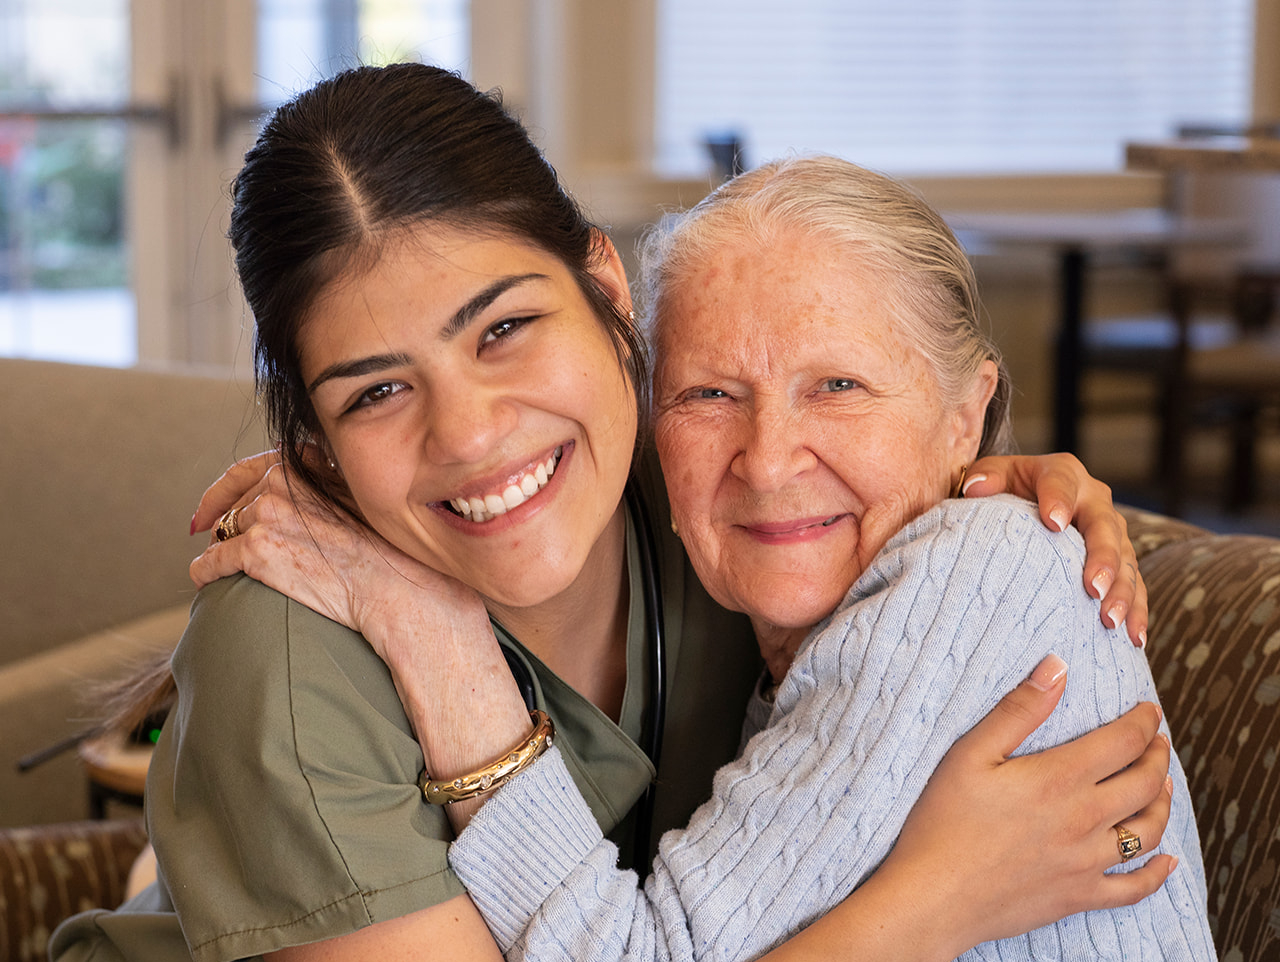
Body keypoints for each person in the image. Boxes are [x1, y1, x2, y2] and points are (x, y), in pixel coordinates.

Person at [50, 64, 1170, 962]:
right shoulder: (289, 658)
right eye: (377, 392)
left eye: (503, 329)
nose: (472, 435)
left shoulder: (709, 499)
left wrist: (984, 492)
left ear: (603, 288)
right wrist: (938, 900)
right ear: (316, 441)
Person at [360, 156, 1215, 960]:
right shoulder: (815, 633)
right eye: (709, 394)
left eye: (837, 387)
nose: (767, 462)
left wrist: (428, 627)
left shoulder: (971, 573)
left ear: (967, 414)